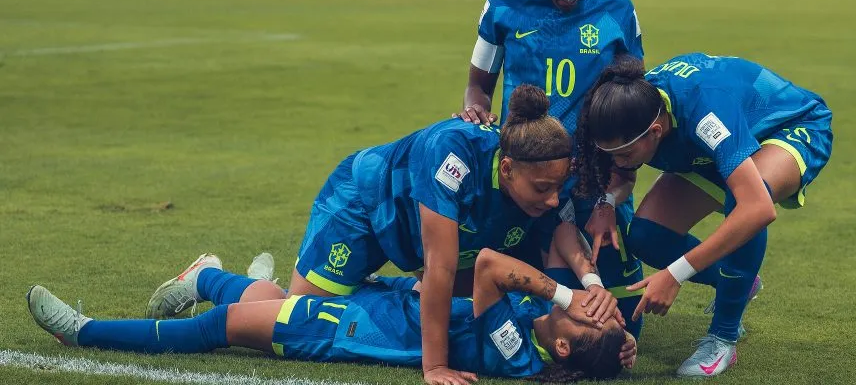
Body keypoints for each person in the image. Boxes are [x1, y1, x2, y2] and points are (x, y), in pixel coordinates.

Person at [147, 85, 620, 385]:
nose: (556, 197)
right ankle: (209, 279)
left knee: (288, 313)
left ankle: (212, 278)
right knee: (293, 308)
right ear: (509, 169)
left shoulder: (534, 176)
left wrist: (593, 285)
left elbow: (562, 229)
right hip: (363, 206)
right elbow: (437, 268)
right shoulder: (452, 154)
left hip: (425, 236)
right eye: (545, 188)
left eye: (561, 185)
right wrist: (433, 368)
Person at [457, 0, 646, 338]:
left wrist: (611, 192)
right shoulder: (503, 3)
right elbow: (478, 84)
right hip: (526, 180)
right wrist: (476, 108)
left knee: (614, 329)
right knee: (517, 319)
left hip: (595, 184)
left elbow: (632, 113)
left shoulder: (618, 9)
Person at [574, 54, 834, 377]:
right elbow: (622, 172)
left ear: (656, 131)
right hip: (720, 146)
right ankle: (739, 285)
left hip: (789, 126)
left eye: (625, 153)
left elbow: (757, 208)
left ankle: (723, 337)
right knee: (645, 235)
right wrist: (607, 202)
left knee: (745, 202)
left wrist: (675, 273)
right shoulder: (635, 105)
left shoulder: (702, 113)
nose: (619, 162)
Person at [27, 249, 636, 381]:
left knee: (221, 329)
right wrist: (618, 339)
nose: (592, 306)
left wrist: (567, 296)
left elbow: (487, 267)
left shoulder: (516, 351)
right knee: (262, 302)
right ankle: (205, 276)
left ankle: (81, 330)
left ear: (564, 347)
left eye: (592, 317)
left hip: (353, 334)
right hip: (377, 303)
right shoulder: (539, 330)